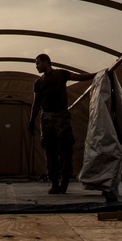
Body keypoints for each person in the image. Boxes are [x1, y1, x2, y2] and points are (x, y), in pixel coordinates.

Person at [28, 54, 95, 194]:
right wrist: (31, 120)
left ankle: (64, 182)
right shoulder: (39, 83)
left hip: (61, 116)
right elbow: (36, 103)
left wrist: (97, 74)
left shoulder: (60, 74)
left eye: (38, 63)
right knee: (49, 151)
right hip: (46, 117)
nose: (36, 66)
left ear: (46, 62)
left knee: (65, 149)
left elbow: (79, 77)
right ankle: (54, 183)